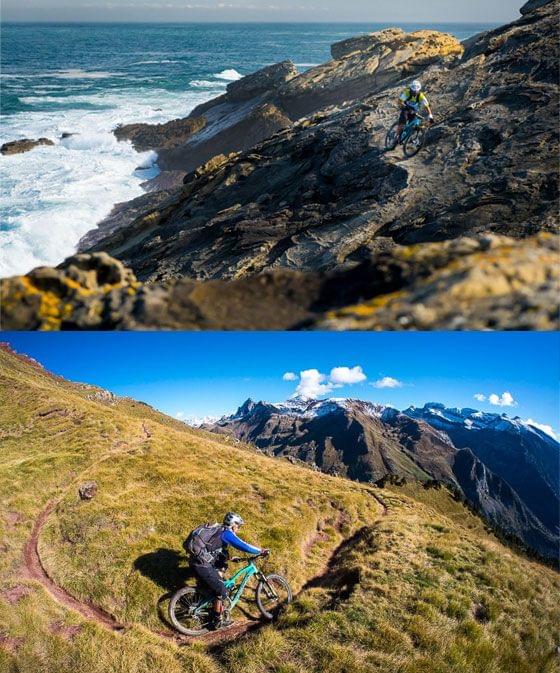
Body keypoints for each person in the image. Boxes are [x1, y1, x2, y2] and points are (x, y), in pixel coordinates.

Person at [186, 512, 269, 629]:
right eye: (238, 526)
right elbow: (243, 545)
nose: (238, 528)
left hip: (198, 562)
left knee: (221, 582)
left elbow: (215, 550)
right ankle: (216, 621)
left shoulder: (219, 530)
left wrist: (232, 558)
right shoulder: (227, 533)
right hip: (202, 565)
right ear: (233, 524)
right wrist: (260, 551)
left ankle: (215, 610)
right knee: (222, 590)